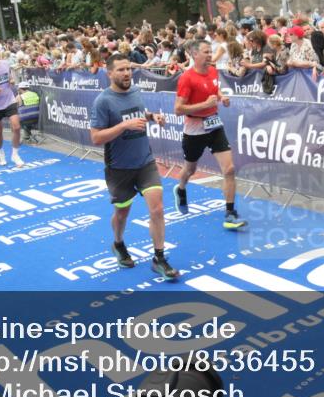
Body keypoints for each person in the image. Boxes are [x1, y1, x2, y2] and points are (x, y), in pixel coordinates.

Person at [89, 54, 179, 279]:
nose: (127, 73)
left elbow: (139, 115)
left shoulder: (136, 92)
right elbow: (96, 138)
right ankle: (118, 244)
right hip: (119, 168)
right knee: (122, 213)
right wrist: (124, 125)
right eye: (121, 70)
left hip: (145, 162)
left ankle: (159, 258)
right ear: (109, 73)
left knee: (157, 209)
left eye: (129, 68)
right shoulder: (103, 101)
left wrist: (152, 117)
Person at [172, 40, 247, 230]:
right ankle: (180, 189)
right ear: (194, 55)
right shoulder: (187, 78)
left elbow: (214, 89)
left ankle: (230, 213)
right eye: (206, 52)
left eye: (210, 51)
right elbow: (178, 109)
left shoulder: (213, 71)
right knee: (190, 169)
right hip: (194, 129)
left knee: (229, 169)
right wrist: (204, 105)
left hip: (214, 124)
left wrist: (222, 97)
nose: (209, 55)